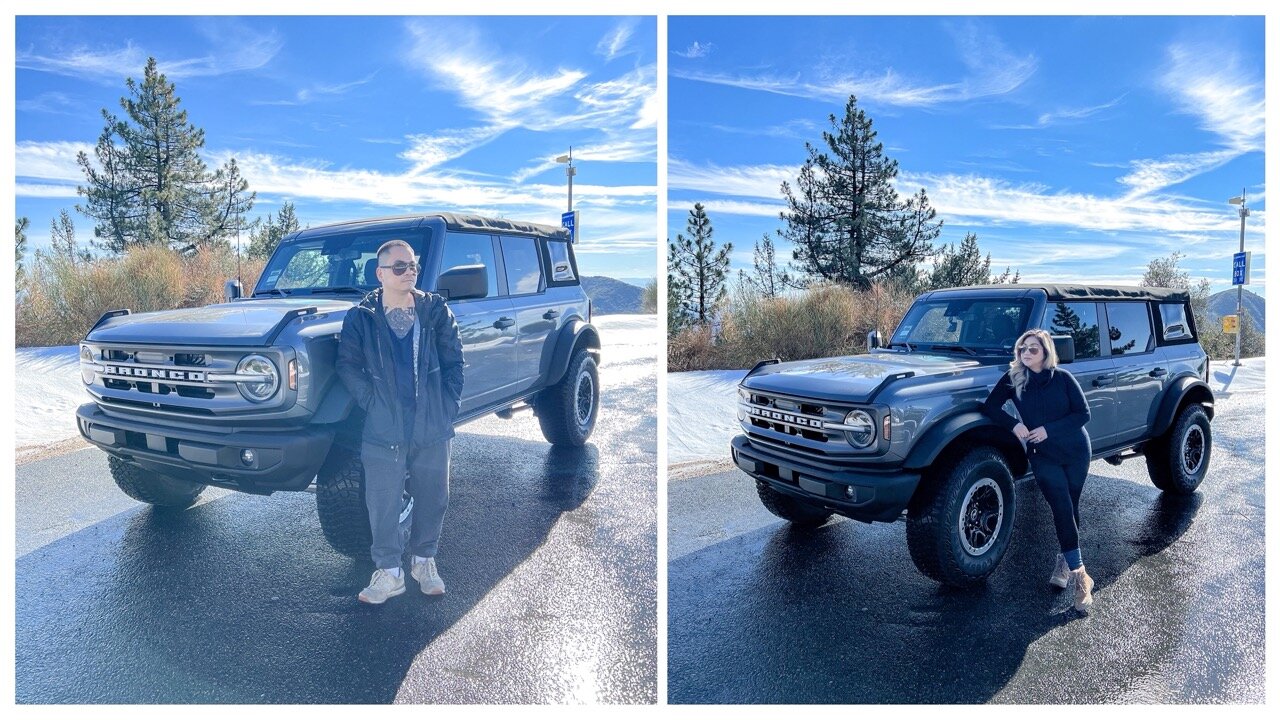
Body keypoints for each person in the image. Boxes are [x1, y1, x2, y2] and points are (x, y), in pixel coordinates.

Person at [336, 239, 465, 604]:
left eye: (412, 266)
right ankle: (388, 573)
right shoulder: (360, 316)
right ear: (380, 274)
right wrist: (371, 402)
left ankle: (424, 563)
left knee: (433, 496)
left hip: (430, 424)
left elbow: (455, 362)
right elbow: (347, 365)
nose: (409, 272)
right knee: (382, 502)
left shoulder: (435, 311)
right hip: (383, 427)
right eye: (399, 267)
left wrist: (446, 407)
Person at [982, 328, 1095, 612]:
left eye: (1033, 348)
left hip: (1075, 451)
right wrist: (1014, 425)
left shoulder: (1063, 379)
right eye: (1022, 349)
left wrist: (1048, 429)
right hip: (1042, 455)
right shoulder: (1014, 378)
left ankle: (1064, 560)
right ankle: (1081, 575)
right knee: (1060, 505)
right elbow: (991, 406)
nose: (1026, 353)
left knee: (1070, 506)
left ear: (1046, 352)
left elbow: (1083, 414)